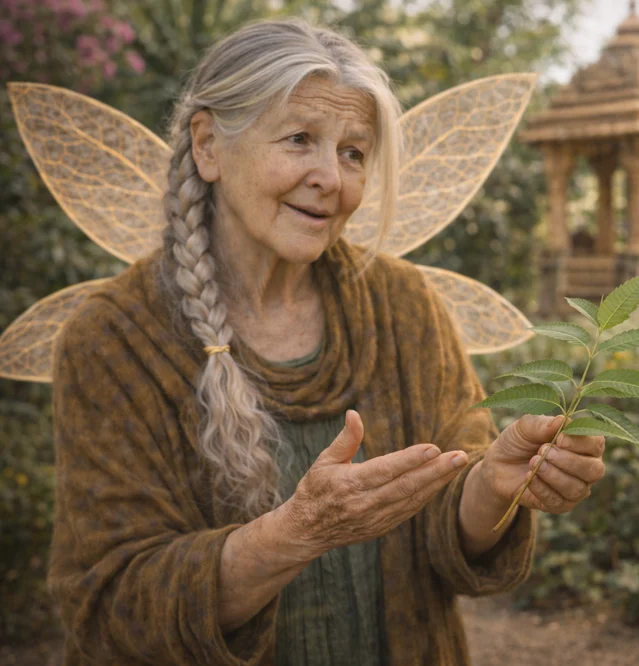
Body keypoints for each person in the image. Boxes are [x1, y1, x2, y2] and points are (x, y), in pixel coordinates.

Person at [46, 18, 607, 666]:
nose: (331, 179)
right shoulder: (113, 341)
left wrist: (494, 484)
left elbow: (451, 536)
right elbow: (109, 606)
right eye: (299, 139)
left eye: (353, 152)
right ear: (208, 146)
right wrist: (296, 534)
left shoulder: (404, 308)